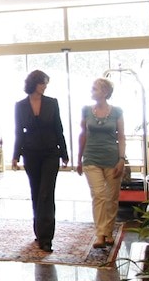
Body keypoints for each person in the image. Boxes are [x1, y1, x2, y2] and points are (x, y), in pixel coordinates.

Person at [11, 70, 69, 252]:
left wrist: (64, 153)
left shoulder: (52, 103)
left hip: (51, 153)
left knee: (46, 193)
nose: (45, 86)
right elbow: (19, 132)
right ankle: (39, 230)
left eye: (46, 83)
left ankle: (46, 238)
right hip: (30, 153)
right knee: (36, 192)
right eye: (43, 83)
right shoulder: (20, 105)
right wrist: (15, 155)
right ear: (34, 83)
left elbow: (59, 128)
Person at [76, 77, 125, 248]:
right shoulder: (86, 110)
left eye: (94, 88)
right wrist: (79, 159)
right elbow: (82, 134)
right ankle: (100, 234)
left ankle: (108, 232)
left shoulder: (117, 112)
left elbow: (121, 136)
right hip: (91, 158)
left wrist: (122, 159)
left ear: (104, 92)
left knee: (112, 198)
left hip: (112, 159)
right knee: (99, 195)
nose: (91, 91)